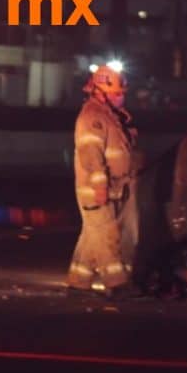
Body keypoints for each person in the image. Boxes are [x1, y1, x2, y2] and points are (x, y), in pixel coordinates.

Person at [67, 63, 139, 298]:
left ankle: (78, 283)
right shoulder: (92, 117)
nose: (121, 99)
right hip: (95, 189)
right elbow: (91, 155)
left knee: (92, 235)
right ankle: (116, 284)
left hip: (112, 187)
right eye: (116, 94)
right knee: (108, 234)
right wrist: (100, 186)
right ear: (100, 92)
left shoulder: (109, 117)